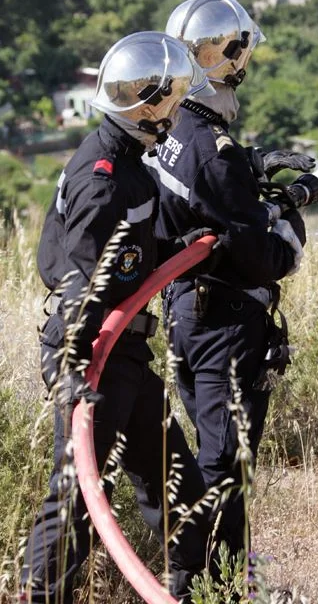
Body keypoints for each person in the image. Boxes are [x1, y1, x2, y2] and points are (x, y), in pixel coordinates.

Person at [20, 31, 215, 604]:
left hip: (124, 353)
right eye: (172, 101)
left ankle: (198, 590)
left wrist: (197, 241)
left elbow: (138, 248)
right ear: (146, 106)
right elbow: (82, 278)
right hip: (91, 354)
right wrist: (80, 372)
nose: (178, 112)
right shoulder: (103, 177)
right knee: (78, 495)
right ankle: (41, 597)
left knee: (174, 481)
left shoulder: (129, 161)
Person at [144, 0, 313, 563]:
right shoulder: (214, 152)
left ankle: (219, 570)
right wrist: (289, 210)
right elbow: (265, 257)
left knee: (214, 453)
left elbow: (200, 198)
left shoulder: (174, 131)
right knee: (225, 461)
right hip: (225, 326)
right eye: (241, 53)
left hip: (187, 316)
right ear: (228, 57)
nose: (247, 64)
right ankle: (216, 579)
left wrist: (251, 164)